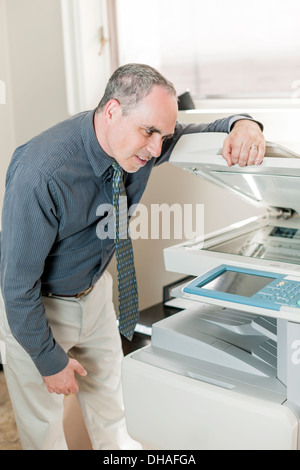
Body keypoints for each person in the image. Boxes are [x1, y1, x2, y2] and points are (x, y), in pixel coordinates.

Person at [0, 63, 265, 450]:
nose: (157, 149)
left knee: (114, 415)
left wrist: (245, 123)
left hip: (95, 296)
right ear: (111, 112)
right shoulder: (39, 172)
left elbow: (205, 131)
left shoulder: (141, 145)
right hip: (36, 309)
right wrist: (47, 359)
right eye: (149, 132)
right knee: (43, 432)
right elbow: (16, 288)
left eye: (164, 135)